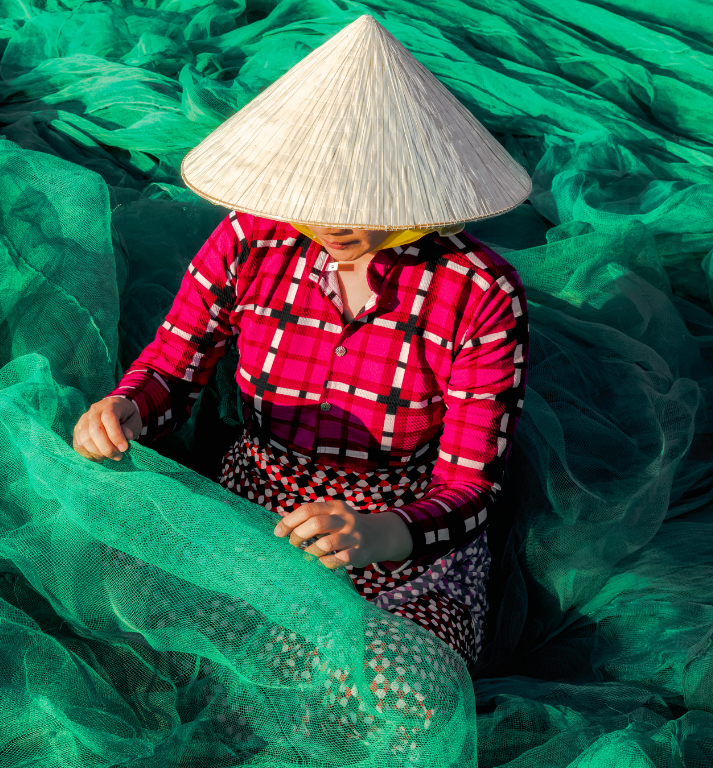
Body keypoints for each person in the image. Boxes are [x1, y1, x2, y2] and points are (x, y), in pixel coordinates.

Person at [72, 14, 531, 674]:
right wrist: (126, 409)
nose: (334, 220)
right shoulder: (252, 239)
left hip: (404, 541)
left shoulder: (479, 294)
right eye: (316, 194)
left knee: (397, 691)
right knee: (132, 623)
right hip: (254, 510)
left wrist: (377, 533)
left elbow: (470, 487)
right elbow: (173, 366)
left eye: (362, 197)